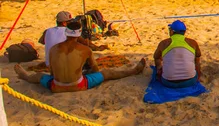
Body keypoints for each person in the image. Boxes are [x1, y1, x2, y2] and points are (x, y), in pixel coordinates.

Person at [15, 19, 146, 93]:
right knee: (107, 73)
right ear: (78, 35)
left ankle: (25, 76)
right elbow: (95, 70)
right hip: (78, 85)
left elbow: (52, 72)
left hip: (56, 86)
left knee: (38, 77)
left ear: (66, 34)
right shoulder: (85, 49)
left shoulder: (54, 49)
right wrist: (86, 70)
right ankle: (134, 71)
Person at [38, 11, 108, 66]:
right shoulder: (69, 32)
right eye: (70, 22)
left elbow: (42, 41)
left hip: (49, 64)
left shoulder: (47, 31)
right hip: (64, 65)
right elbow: (86, 43)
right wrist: (99, 48)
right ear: (64, 23)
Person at [153, 20, 202, 88]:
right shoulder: (193, 43)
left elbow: (156, 57)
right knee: (196, 61)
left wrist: (159, 68)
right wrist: (198, 75)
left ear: (172, 31)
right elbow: (198, 57)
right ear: (184, 32)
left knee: (160, 62)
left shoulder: (163, 43)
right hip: (190, 81)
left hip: (168, 82)